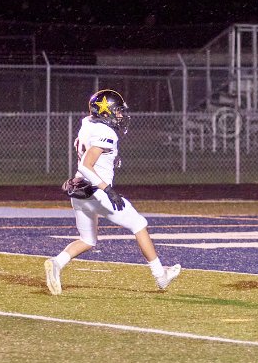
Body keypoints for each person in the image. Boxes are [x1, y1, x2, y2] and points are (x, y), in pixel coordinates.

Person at [44, 89, 181, 295]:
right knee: (139, 225)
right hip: (97, 192)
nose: (121, 115)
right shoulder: (106, 133)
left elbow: (91, 154)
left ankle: (57, 263)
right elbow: (85, 165)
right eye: (117, 111)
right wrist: (107, 189)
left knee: (88, 240)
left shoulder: (87, 124)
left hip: (80, 192)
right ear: (105, 111)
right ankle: (160, 275)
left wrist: (111, 160)